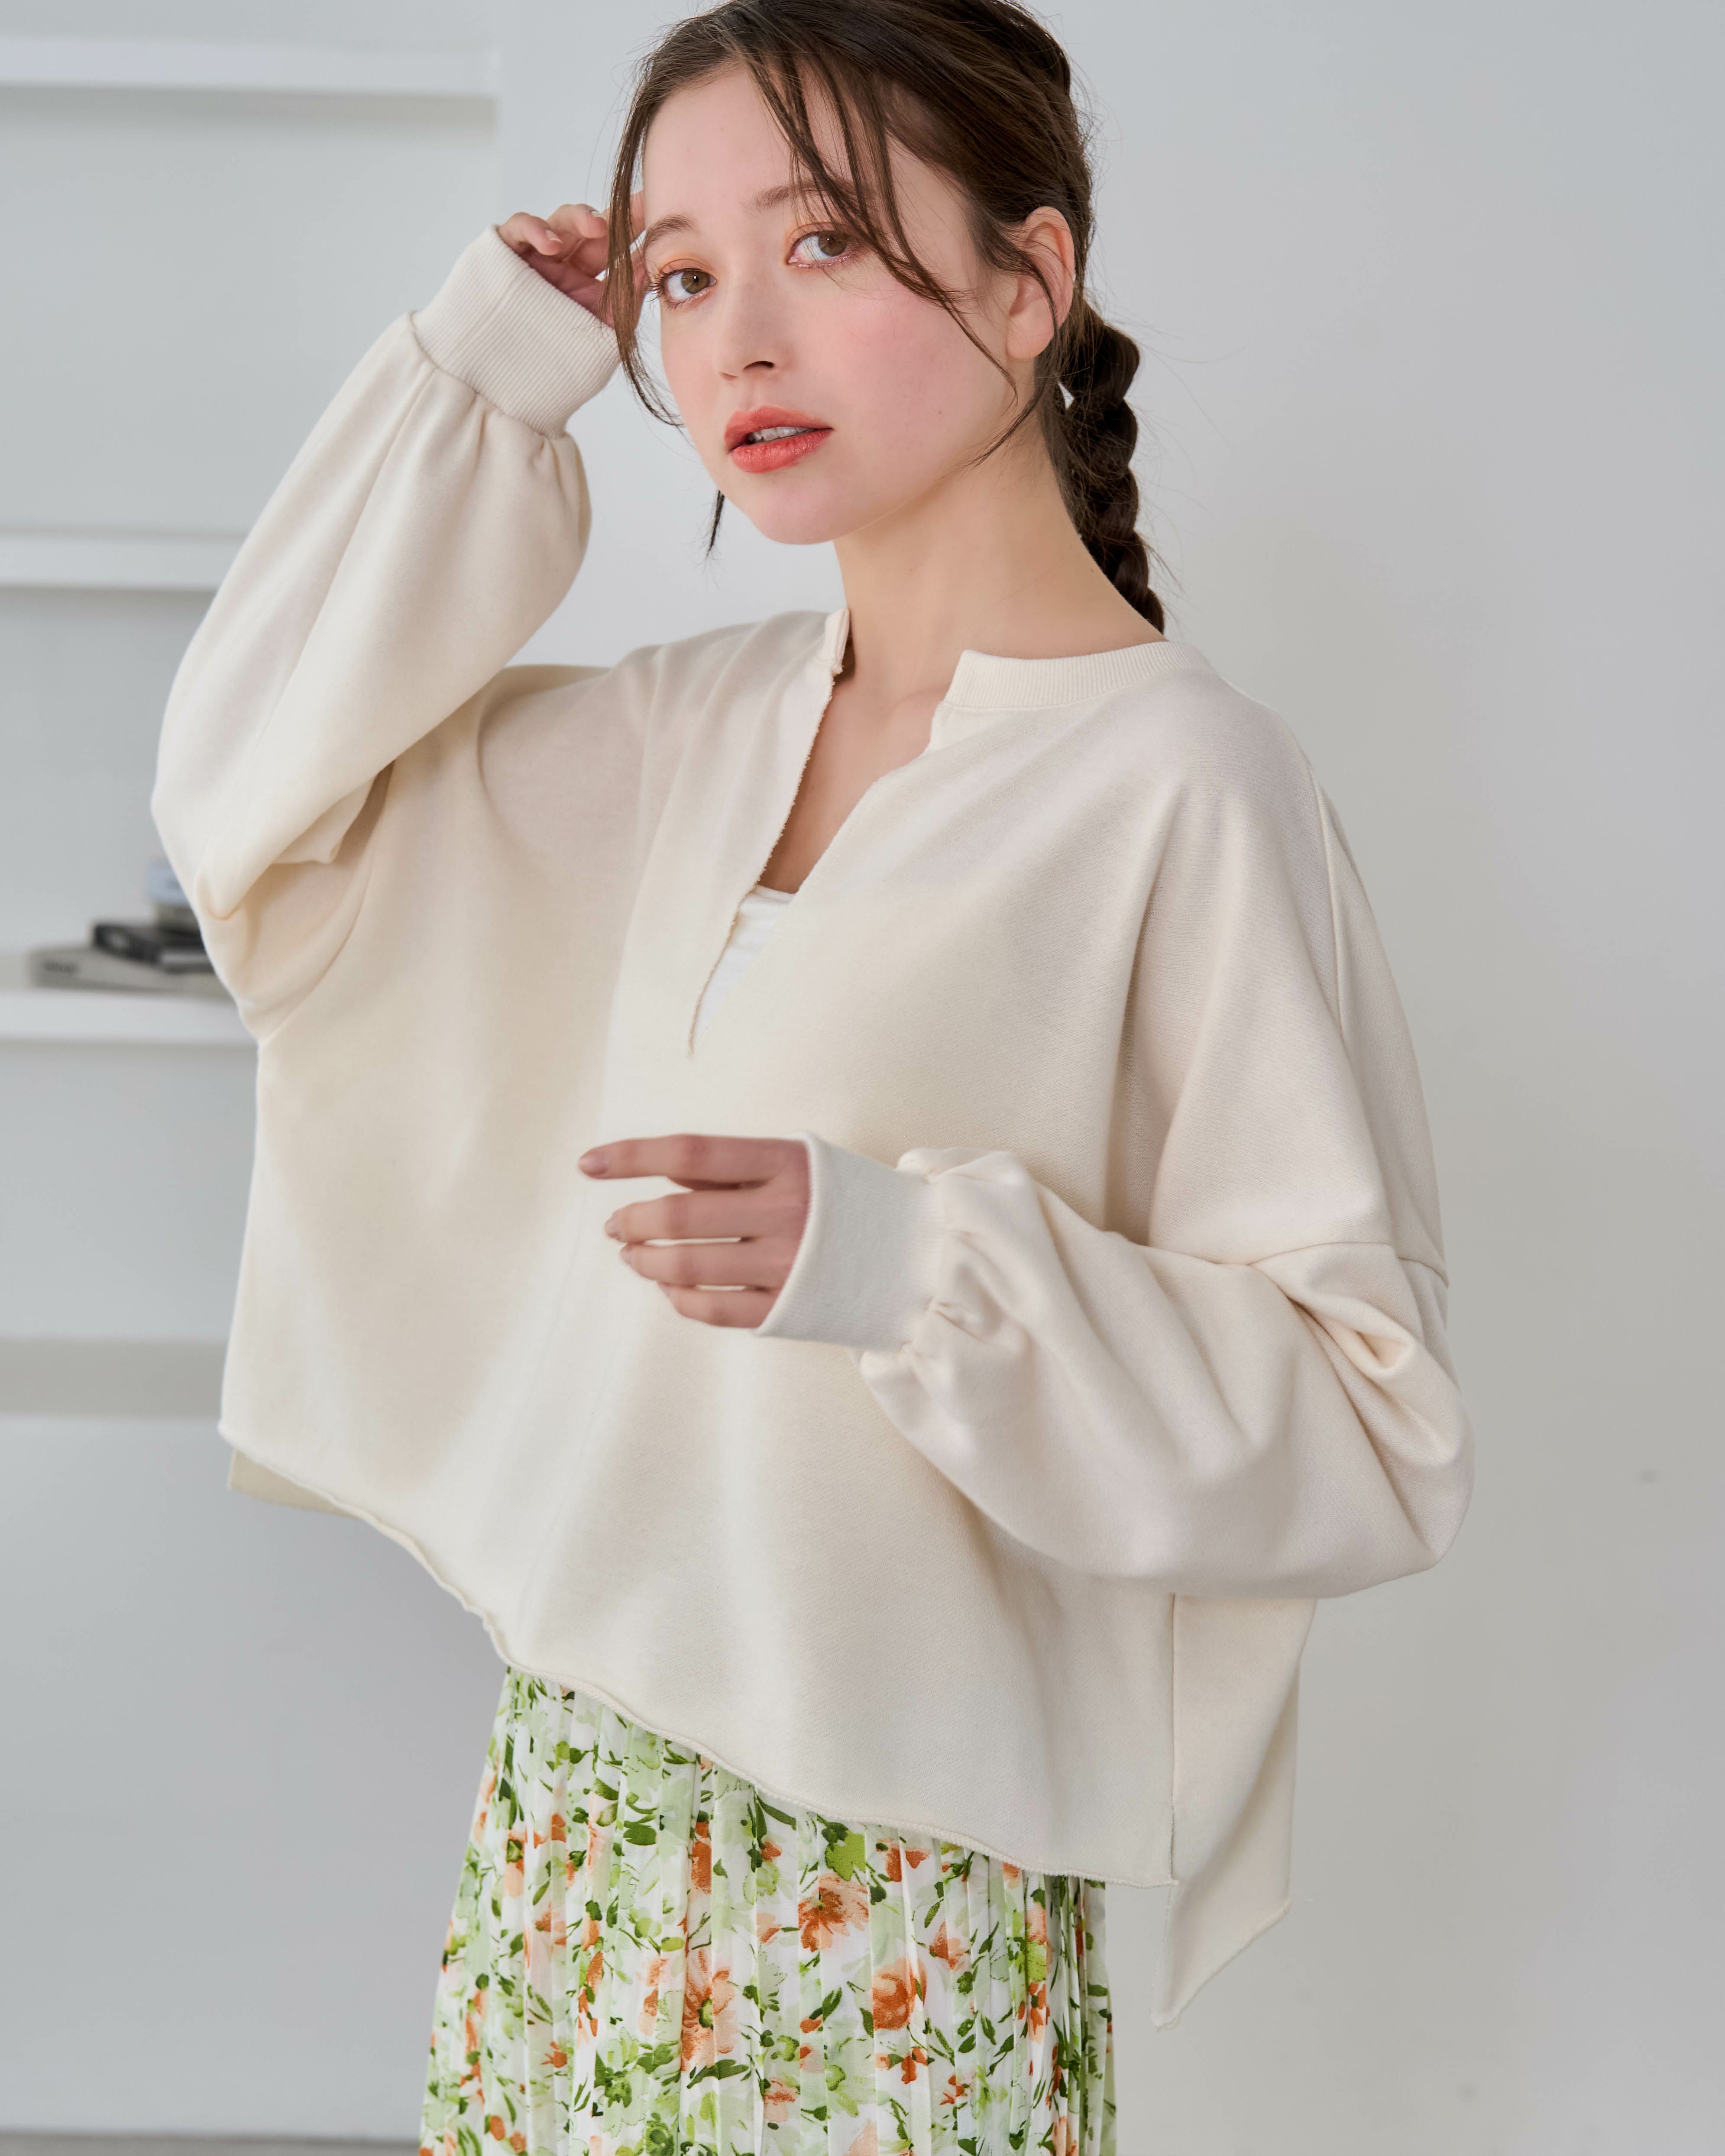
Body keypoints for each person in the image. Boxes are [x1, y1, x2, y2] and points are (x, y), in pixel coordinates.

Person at [150, 1, 1473, 2149]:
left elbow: (1374, 1427)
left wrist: (914, 1266)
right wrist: (487, 373)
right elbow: (250, 829)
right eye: (680, 277)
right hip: (569, 1852)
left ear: (1033, 281)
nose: (736, 340)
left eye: (826, 241)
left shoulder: (1185, 786)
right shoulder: (676, 730)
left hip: (903, 1915)